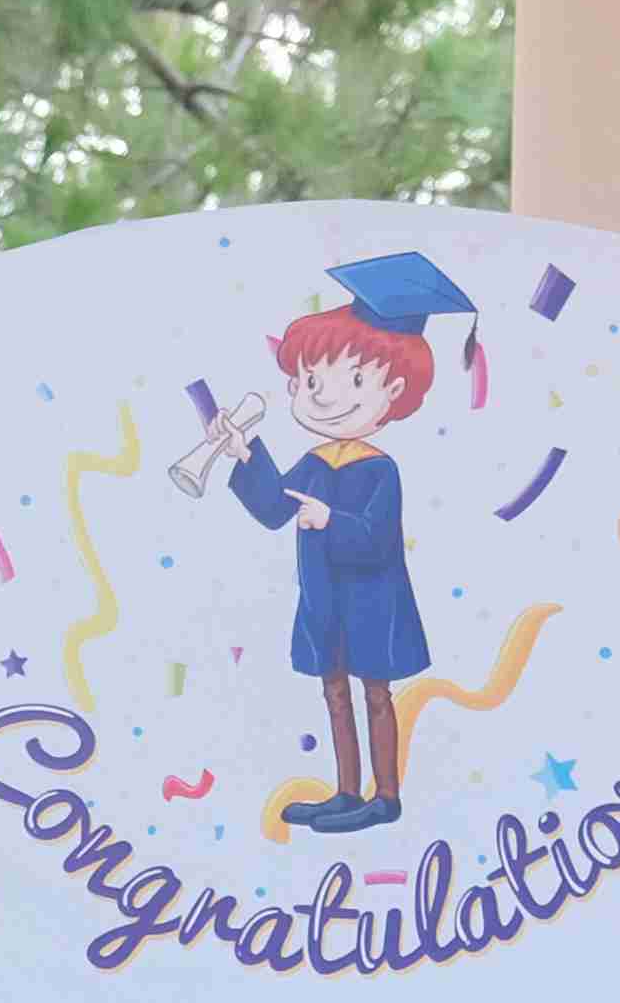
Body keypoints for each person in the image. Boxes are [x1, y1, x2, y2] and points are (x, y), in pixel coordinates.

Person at [186, 251, 472, 833]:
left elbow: (375, 538)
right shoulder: (316, 461)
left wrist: (328, 520)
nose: (323, 396)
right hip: (324, 602)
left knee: (375, 695)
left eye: (355, 380)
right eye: (313, 379)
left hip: (374, 605)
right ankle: (346, 791)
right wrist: (244, 452)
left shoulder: (380, 469)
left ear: (393, 390)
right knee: (334, 693)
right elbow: (273, 508)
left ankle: (385, 796)